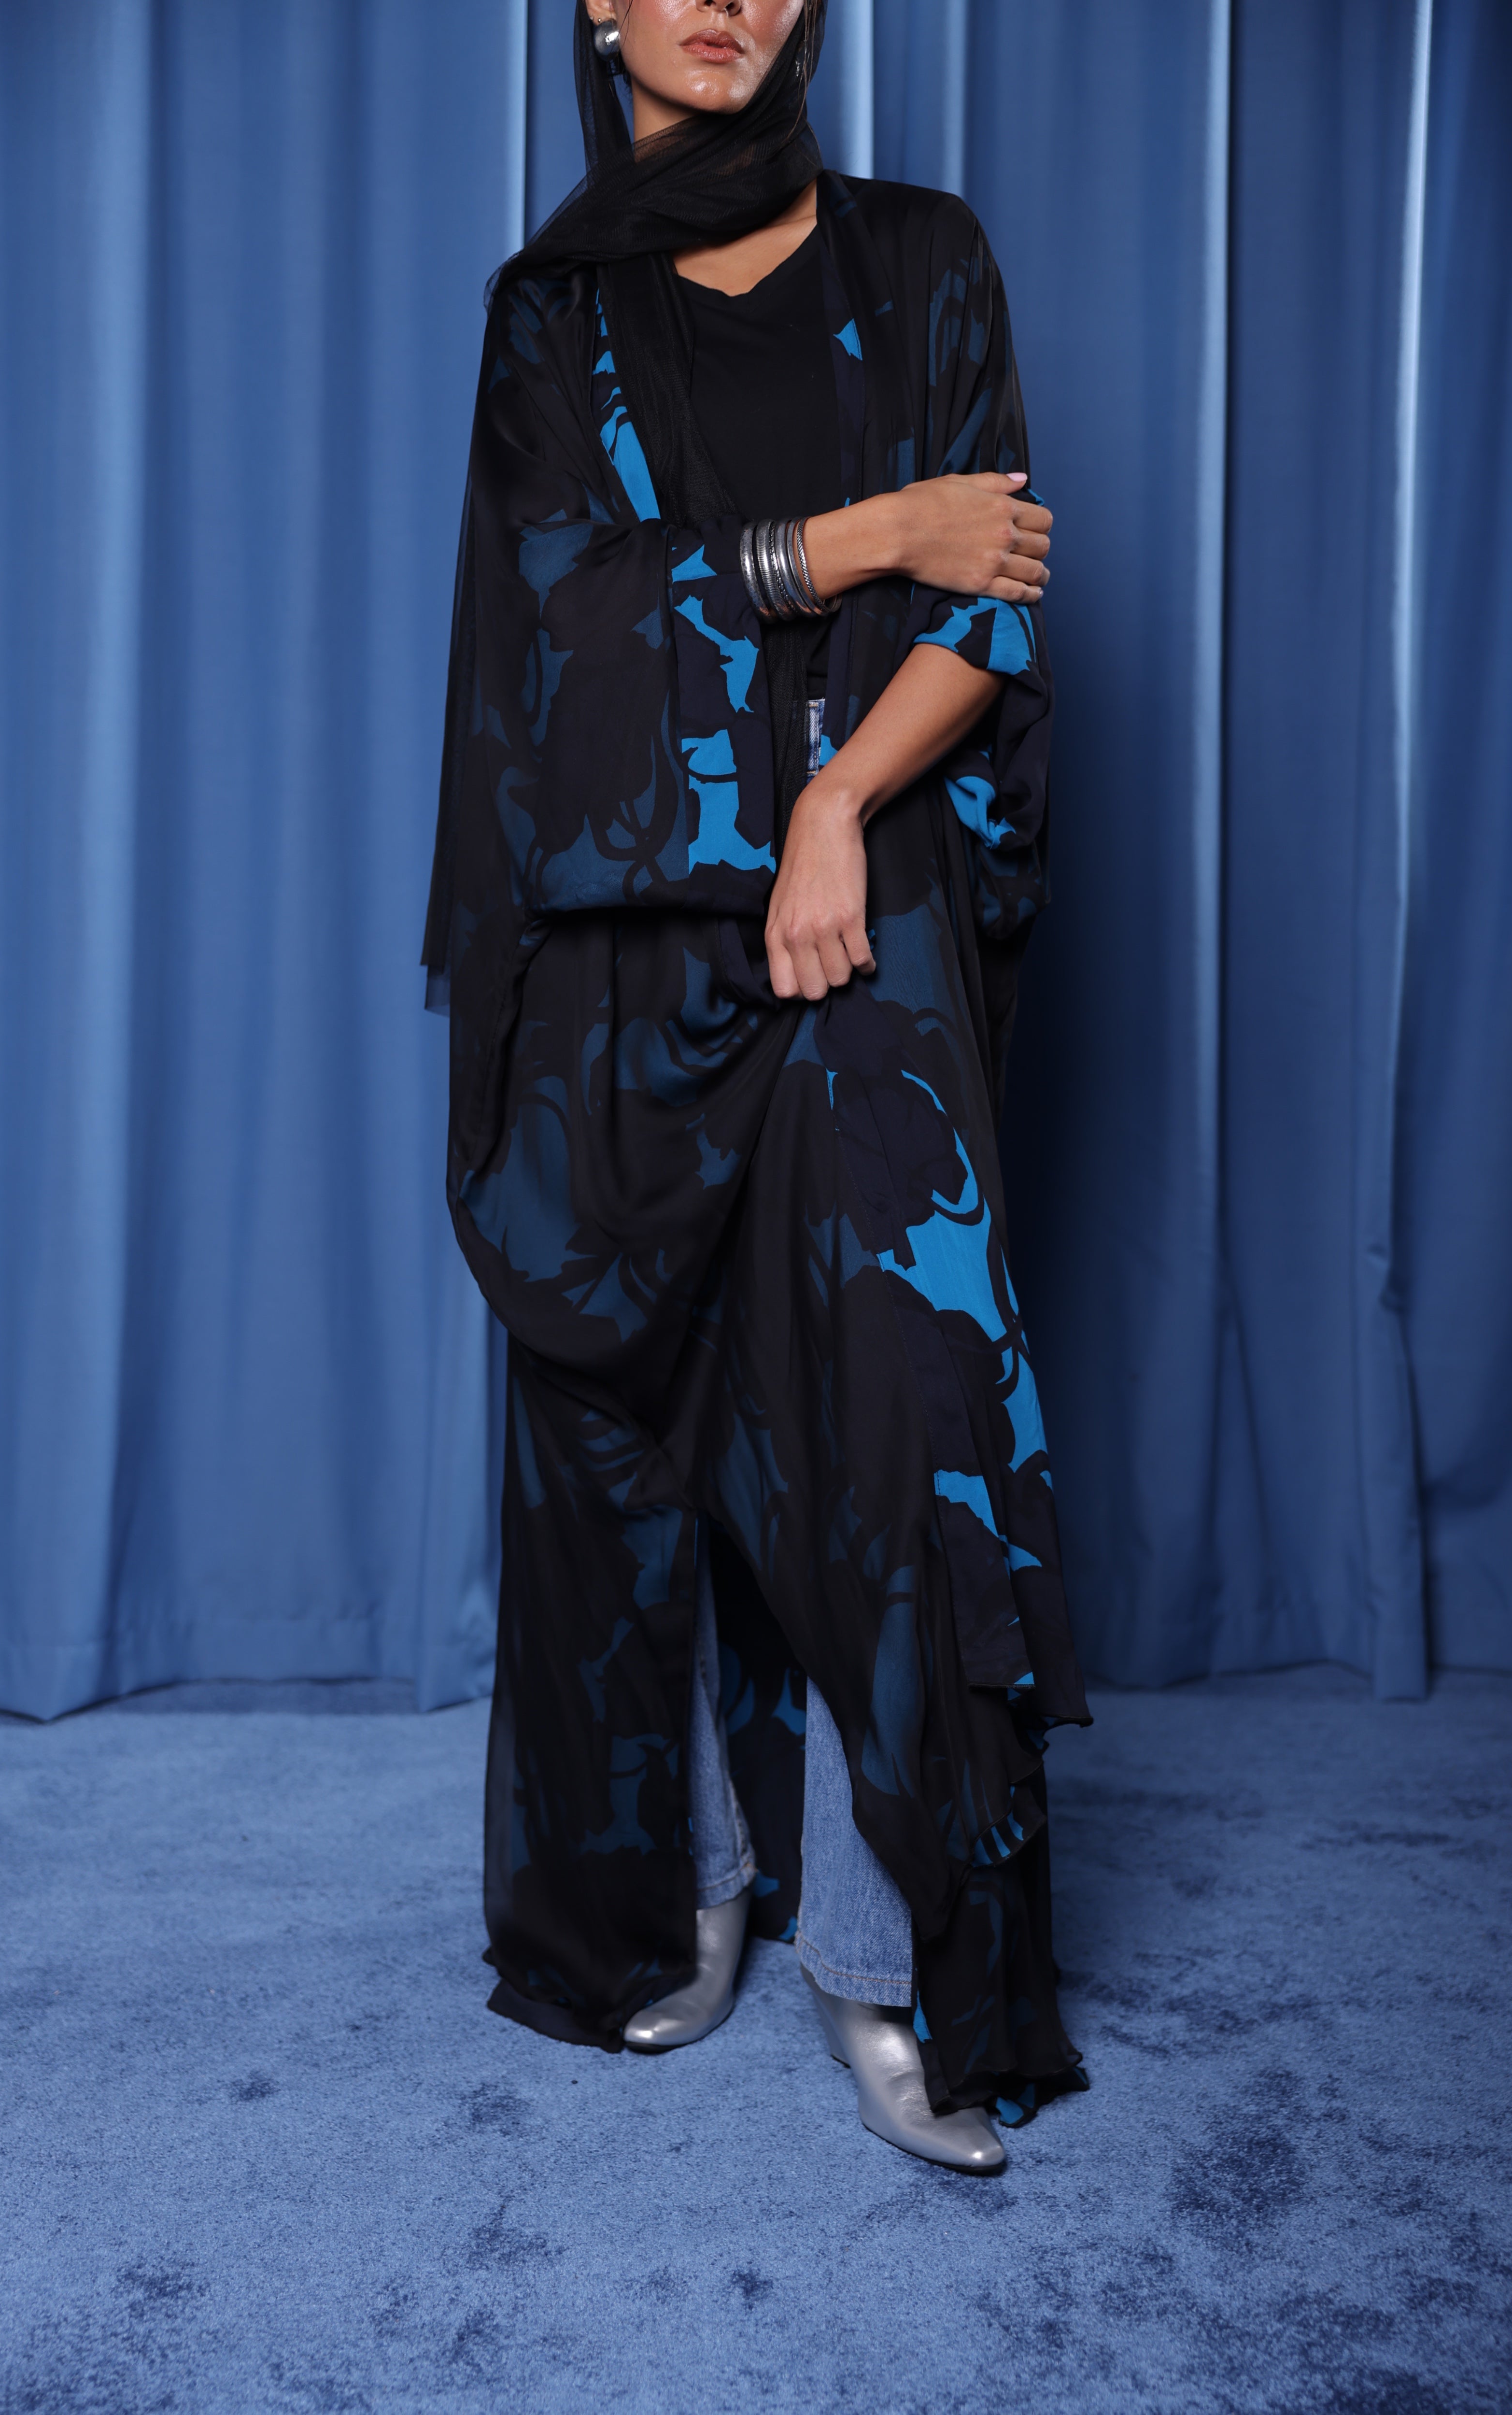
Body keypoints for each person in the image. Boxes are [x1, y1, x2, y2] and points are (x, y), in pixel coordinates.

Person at [423, 0, 1090, 2174]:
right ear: (599, 11)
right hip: (616, 953)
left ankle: (882, 1964)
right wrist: (864, 530)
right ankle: (697, 1886)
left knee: (898, 1424)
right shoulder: (553, 315)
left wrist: (832, 806)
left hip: (856, 905)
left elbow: (995, 596)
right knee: (639, 1424)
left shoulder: (926, 252)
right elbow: (563, 624)